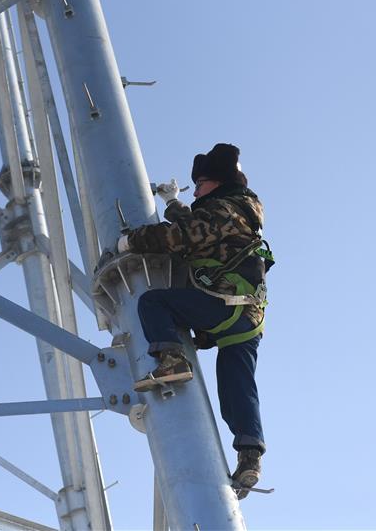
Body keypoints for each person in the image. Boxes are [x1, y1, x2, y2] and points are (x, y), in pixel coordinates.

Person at [115, 143, 272, 498]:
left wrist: (132, 242)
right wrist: (172, 204)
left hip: (220, 304)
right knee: (238, 388)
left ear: (215, 183)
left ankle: (171, 360)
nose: (196, 189)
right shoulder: (239, 212)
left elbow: (181, 236)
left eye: (199, 183)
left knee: (154, 303)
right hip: (248, 317)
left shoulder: (225, 211)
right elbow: (196, 225)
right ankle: (250, 457)